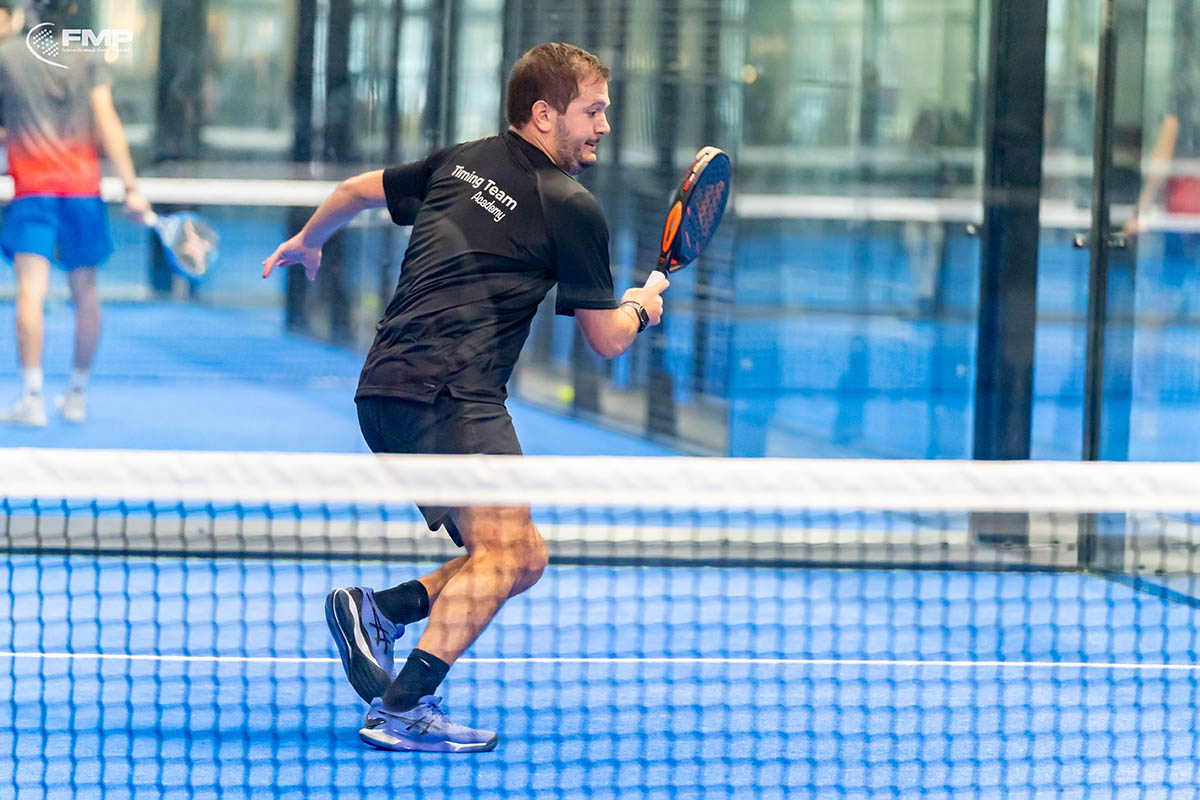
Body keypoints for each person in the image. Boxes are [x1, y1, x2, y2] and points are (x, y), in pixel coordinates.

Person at [262, 42, 668, 752]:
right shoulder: (572, 207)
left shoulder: (460, 162)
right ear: (544, 114)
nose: (605, 126)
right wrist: (641, 306)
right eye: (593, 111)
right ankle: (402, 710)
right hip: (452, 394)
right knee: (504, 554)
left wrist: (308, 239)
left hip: (384, 389)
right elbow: (606, 340)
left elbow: (355, 191)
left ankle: (380, 611)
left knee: (523, 555)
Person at [0, 0, 149, 426]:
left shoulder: (8, 55)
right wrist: (132, 188)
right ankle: (77, 396)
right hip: (83, 193)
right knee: (86, 293)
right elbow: (107, 121)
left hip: (33, 192)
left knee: (31, 291)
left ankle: (31, 398)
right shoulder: (88, 56)